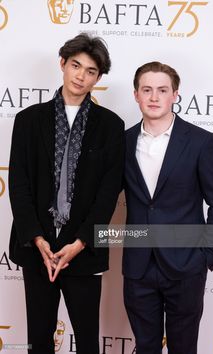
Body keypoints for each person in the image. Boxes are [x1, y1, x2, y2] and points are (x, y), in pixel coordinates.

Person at [8, 32, 125, 354]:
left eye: (91, 71)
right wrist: (38, 239)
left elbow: (108, 192)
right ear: (62, 63)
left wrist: (81, 241)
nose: (81, 76)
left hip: (83, 249)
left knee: (88, 341)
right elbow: (18, 185)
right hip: (37, 248)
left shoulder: (110, 126)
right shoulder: (28, 120)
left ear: (98, 78)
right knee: (40, 340)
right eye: (76, 65)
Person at [122, 61, 213, 354]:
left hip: (186, 266)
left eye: (162, 90)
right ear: (136, 95)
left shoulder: (200, 142)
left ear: (175, 95)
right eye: (147, 90)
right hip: (138, 266)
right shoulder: (122, 142)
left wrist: (207, 255)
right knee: (145, 347)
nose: (154, 97)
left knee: (184, 348)